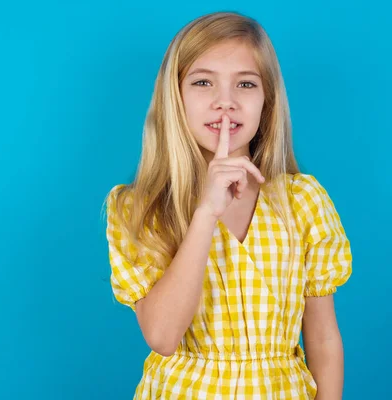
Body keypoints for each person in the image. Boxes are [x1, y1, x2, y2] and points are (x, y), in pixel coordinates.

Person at [104, 11, 353, 399]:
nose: (226, 103)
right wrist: (205, 213)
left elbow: (322, 336)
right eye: (203, 82)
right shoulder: (138, 208)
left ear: (267, 101)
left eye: (246, 84)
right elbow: (162, 335)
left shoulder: (303, 201)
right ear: (176, 97)